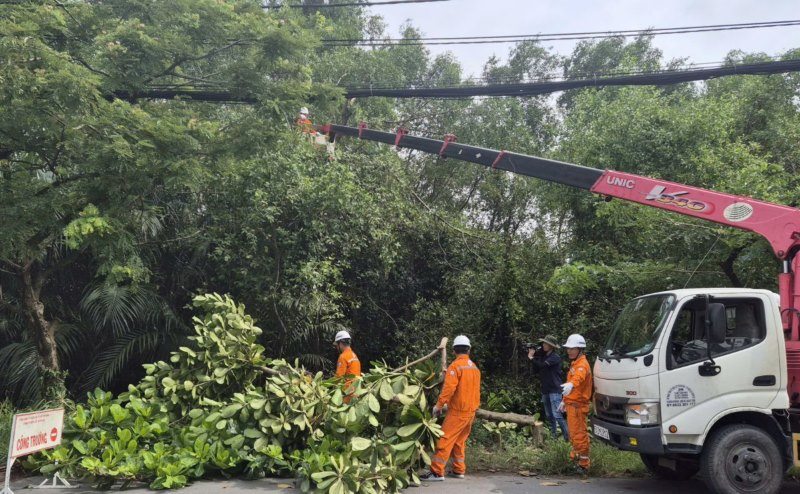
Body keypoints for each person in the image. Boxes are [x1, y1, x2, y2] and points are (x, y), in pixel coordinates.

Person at [421, 335, 481, 482]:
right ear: (469, 350)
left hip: (458, 412)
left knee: (445, 440)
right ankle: (459, 470)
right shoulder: (474, 367)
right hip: (471, 412)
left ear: (454, 350)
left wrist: (439, 405)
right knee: (459, 441)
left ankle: (436, 472)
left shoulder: (455, 367)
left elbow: (449, 389)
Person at [559, 333, 593, 476]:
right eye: (568, 348)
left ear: (580, 349)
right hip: (572, 404)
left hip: (578, 406)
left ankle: (584, 465)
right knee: (573, 435)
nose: (569, 351)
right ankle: (577, 461)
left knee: (579, 435)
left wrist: (572, 385)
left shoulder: (582, 365)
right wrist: (564, 400)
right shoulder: (575, 363)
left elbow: (577, 379)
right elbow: (571, 386)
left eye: (572, 348)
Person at [528, 334, 569, 441]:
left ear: (551, 346)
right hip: (545, 389)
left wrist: (532, 358)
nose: (544, 345)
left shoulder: (555, 357)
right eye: (544, 343)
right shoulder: (544, 356)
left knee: (557, 415)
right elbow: (536, 369)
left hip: (555, 389)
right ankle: (554, 437)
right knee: (549, 415)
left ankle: (567, 438)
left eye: (546, 343)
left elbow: (542, 366)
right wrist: (533, 357)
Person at [334, 330, 361, 402]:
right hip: (356, 391)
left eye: (337, 344)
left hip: (347, 393)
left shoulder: (343, 357)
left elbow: (338, 377)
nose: (337, 347)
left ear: (340, 343)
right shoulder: (354, 355)